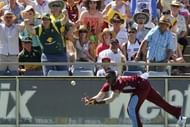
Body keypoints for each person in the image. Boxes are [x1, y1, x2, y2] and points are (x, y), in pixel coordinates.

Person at [82, 70, 187, 127]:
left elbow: (111, 99)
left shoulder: (119, 83)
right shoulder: (108, 84)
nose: (107, 80)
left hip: (142, 86)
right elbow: (100, 95)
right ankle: (179, 116)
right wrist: (92, 99)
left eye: (109, 78)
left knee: (131, 109)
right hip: (143, 83)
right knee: (160, 102)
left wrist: (95, 103)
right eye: (106, 78)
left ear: (114, 78)